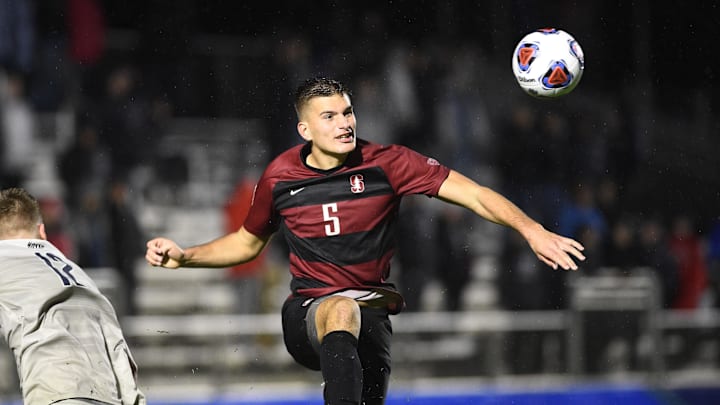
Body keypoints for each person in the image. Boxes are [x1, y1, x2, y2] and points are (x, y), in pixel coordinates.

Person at [145, 77, 585, 405]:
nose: (344, 123)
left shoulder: (387, 164)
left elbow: (474, 195)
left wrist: (531, 229)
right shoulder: (280, 177)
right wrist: (186, 257)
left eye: (348, 112)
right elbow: (246, 243)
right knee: (341, 307)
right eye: (330, 116)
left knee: (359, 340)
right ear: (305, 130)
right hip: (308, 315)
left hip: (373, 319)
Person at [0, 187, 145, 405]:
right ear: (42, 232)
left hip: (57, 394)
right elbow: (116, 347)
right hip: (110, 397)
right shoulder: (80, 275)